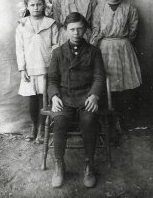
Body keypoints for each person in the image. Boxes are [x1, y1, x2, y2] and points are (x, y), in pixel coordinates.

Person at [48, 12, 105, 188]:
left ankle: (89, 164)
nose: (76, 33)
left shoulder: (94, 51)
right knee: (59, 120)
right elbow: (52, 79)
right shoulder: (58, 53)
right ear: (65, 30)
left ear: (85, 30)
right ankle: (59, 164)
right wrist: (54, 95)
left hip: (86, 96)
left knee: (89, 120)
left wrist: (94, 95)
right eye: (72, 29)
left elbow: (99, 77)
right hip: (64, 97)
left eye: (80, 29)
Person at [90, 0, 142, 131]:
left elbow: (132, 33)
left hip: (123, 49)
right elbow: (96, 30)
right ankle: (108, 123)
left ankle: (121, 122)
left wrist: (121, 43)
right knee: (106, 84)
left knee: (124, 87)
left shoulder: (130, 9)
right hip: (104, 49)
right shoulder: (99, 9)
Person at [16, 0, 59, 143]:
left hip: (45, 66)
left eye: (39, 4)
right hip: (29, 69)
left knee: (44, 99)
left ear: (43, 5)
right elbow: (19, 49)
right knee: (32, 100)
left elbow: (55, 46)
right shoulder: (22, 24)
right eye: (32, 5)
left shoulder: (50, 23)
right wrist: (22, 69)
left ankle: (42, 129)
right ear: (27, 6)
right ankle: (33, 127)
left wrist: (52, 67)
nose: (36, 8)